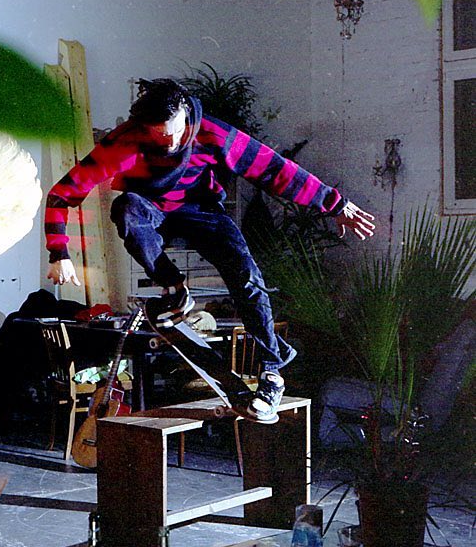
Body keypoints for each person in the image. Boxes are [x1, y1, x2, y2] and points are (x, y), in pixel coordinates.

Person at [44, 78, 375, 422]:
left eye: (171, 132)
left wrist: (335, 204)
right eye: (155, 136)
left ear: (185, 113)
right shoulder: (126, 140)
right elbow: (62, 192)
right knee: (126, 208)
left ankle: (273, 368)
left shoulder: (213, 133)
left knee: (245, 274)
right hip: (150, 208)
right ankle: (174, 287)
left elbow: (275, 169)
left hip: (200, 210)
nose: (167, 142)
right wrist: (59, 252)